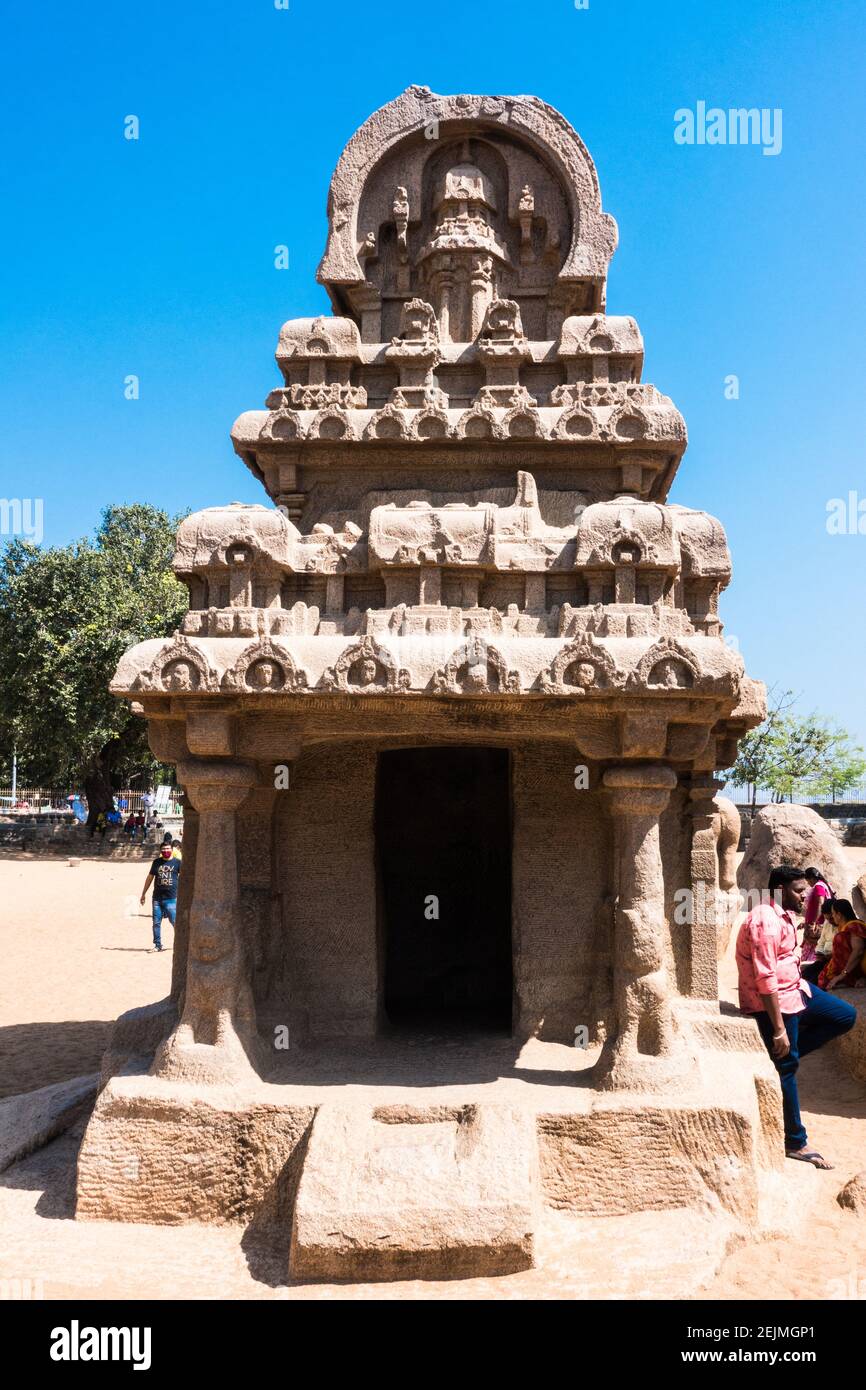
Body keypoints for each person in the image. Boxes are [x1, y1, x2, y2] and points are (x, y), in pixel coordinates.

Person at [735, 865, 857, 1169]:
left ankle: (789, 1050)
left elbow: (788, 960)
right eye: (799, 891)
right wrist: (778, 1029)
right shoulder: (766, 920)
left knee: (845, 1016)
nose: (807, 896)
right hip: (775, 1003)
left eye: (806, 890)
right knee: (787, 1067)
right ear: (779, 890)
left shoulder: (784, 916)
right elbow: (765, 978)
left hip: (797, 990)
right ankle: (796, 1142)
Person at [139, 843, 180, 953]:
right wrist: (143, 893)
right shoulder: (156, 862)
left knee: (175, 921)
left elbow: (185, 878)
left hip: (171, 898)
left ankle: (180, 944)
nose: (165, 850)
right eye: (163, 849)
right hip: (157, 898)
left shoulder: (177, 863)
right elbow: (150, 878)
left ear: (172, 849)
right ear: (160, 850)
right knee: (156, 923)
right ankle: (157, 945)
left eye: (167, 848)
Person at [818, 899, 866, 991]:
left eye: (833, 913)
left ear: (839, 915)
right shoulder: (845, 927)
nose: (832, 916)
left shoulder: (854, 926)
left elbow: (858, 951)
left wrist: (842, 975)